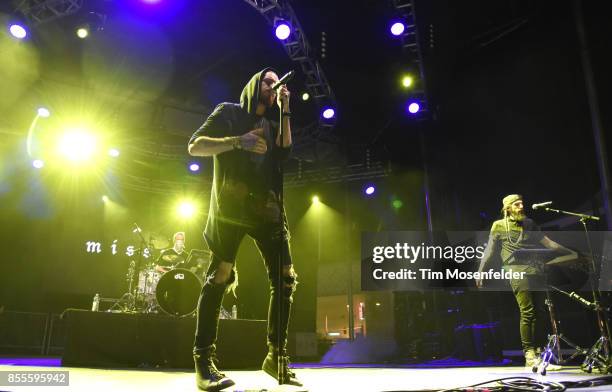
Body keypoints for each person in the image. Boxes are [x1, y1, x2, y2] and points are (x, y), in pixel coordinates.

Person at [187, 68, 300, 390]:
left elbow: (285, 152)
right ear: (254, 85)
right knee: (220, 274)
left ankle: (276, 357)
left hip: (267, 207)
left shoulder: (276, 122)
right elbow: (195, 146)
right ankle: (203, 361)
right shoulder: (229, 112)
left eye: (277, 83)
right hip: (231, 206)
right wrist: (238, 141)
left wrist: (286, 108)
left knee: (286, 277)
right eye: (267, 81)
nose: (273, 86)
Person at [476, 194, 576, 369]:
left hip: (536, 271)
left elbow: (549, 244)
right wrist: (480, 272)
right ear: (507, 208)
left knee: (541, 312)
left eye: (522, 203)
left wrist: (571, 252)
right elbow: (490, 250)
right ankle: (529, 355)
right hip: (516, 271)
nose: (521, 206)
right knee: (527, 311)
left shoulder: (529, 223)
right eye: (516, 204)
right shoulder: (498, 225)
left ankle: (539, 355)